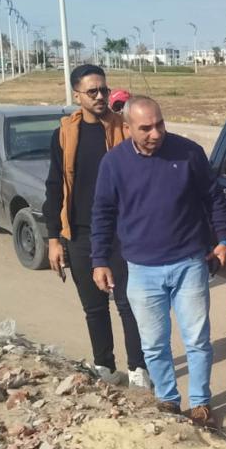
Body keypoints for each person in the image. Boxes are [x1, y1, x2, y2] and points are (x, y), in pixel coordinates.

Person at [90, 96, 226, 425]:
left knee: (197, 340)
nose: (155, 133)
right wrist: (99, 259)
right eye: (146, 128)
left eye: (160, 124)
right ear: (127, 128)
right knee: (153, 344)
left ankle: (200, 403)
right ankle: (168, 399)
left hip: (189, 263)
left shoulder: (188, 153)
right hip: (141, 270)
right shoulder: (114, 164)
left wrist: (224, 239)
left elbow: (213, 197)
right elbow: (102, 214)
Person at [42, 64, 148, 387]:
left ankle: (138, 370)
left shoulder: (124, 130)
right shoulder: (64, 134)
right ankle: (105, 366)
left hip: (121, 233)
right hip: (79, 232)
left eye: (104, 89)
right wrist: (54, 238)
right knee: (94, 307)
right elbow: (54, 186)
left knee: (128, 304)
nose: (100, 96)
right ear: (77, 96)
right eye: (92, 92)